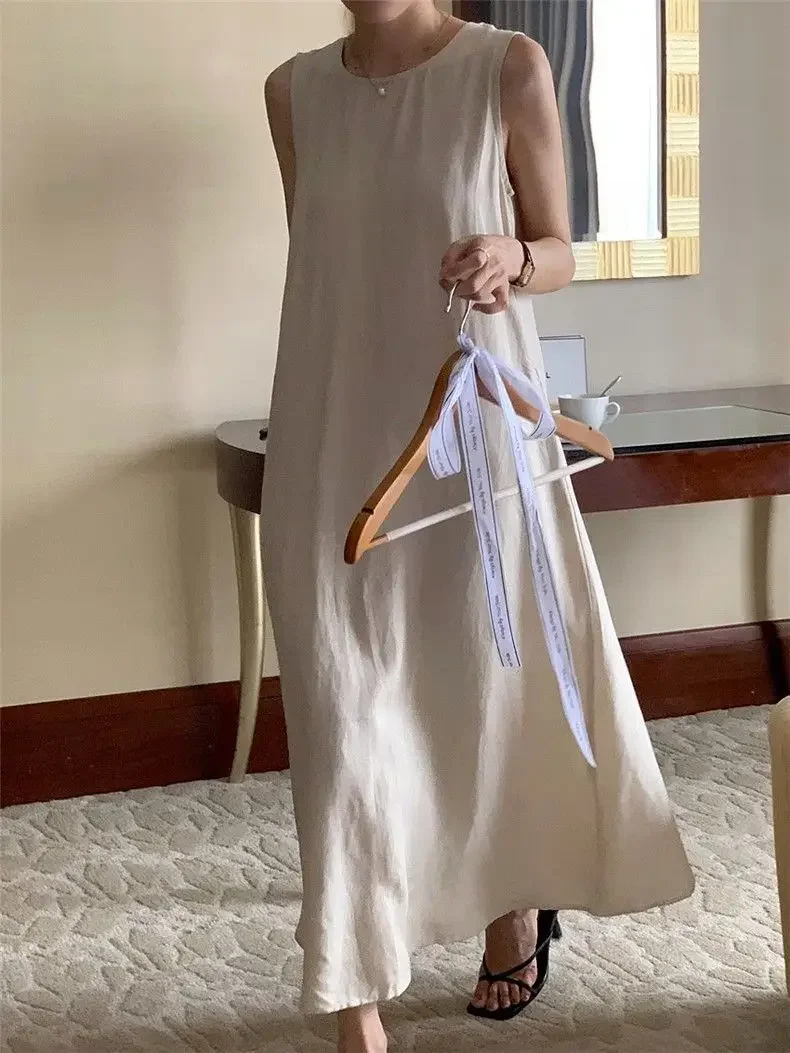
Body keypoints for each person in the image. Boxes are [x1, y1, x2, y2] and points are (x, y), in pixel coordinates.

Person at [262, 3, 694, 1051]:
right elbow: (327, 265)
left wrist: (513, 255)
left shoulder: (507, 66)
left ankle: (511, 897)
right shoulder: (291, 91)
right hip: (334, 430)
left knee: (484, 679)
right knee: (343, 699)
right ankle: (356, 995)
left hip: (473, 427)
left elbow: (559, 251)